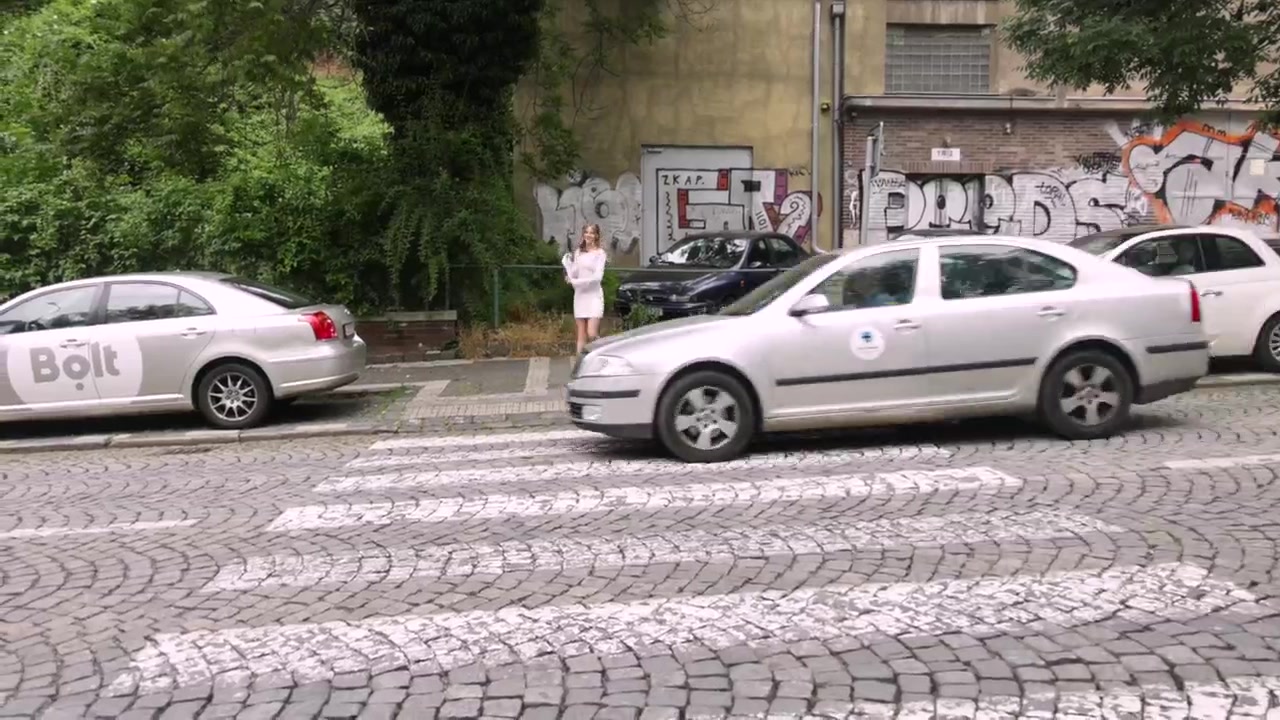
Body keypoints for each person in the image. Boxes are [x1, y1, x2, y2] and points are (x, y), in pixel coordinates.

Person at [566, 224, 607, 355]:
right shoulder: (579, 252)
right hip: (580, 296)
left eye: (592, 233)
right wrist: (568, 267)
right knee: (581, 334)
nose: (588, 235)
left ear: (596, 236)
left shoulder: (600, 253)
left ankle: (603, 354)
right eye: (586, 232)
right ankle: (579, 362)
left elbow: (597, 278)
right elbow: (574, 272)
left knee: (591, 333)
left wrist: (576, 282)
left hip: (594, 296)